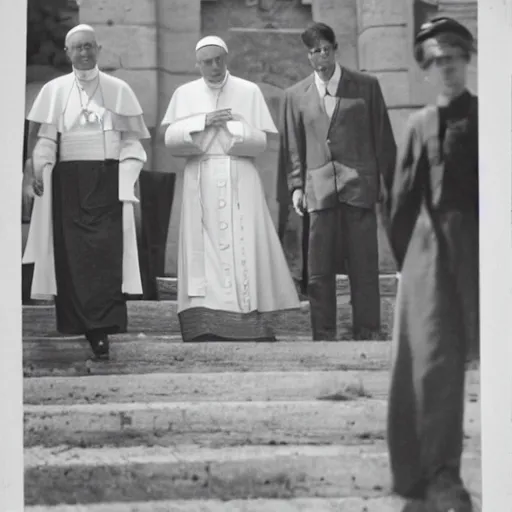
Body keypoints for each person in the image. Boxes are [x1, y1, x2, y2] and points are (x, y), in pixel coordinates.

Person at [383, 17, 478, 512]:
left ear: (468, 60)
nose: (449, 69)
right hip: (435, 255)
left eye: (456, 59)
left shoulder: (491, 117)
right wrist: (411, 268)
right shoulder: (419, 126)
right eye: (439, 61)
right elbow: (400, 202)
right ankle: (438, 475)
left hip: (484, 249)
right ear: (427, 67)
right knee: (435, 363)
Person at [161, 35, 300, 342]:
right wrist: (202, 121)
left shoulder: (248, 91)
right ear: (197, 64)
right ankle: (204, 325)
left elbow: (261, 142)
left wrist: (231, 128)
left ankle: (249, 323)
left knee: (245, 246)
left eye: (218, 60)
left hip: (240, 177)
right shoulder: (184, 93)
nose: (214, 67)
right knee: (203, 254)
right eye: (207, 62)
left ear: (226, 58)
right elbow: (171, 140)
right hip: (202, 177)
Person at [23, 24, 150, 359]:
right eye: (77, 47)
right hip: (68, 185)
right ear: (67, 52)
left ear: (98, 48)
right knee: (74, 258)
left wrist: (128, 174)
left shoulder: (118, 89)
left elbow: (131, 142)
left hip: (107, 181)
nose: (83, 52)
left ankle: (102, 327)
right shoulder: (53, 90)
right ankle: (81, 323)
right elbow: (47, 140)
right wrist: (39, 169)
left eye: (89, 46)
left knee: (105, 256)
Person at [279, 23, 397, 341]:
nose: (322, 57)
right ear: (308, 56)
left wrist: (388, 182)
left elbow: (383, 138)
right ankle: (323, 332)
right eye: (315, 52)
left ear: (336, 50)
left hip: (359, 186)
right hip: (318, 189)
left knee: (364, 266)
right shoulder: (294, 96)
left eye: (326, 50)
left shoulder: (366, 86)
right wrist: (296, 187)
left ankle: (369, 330)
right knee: (319, 270)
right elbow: (293, 146)